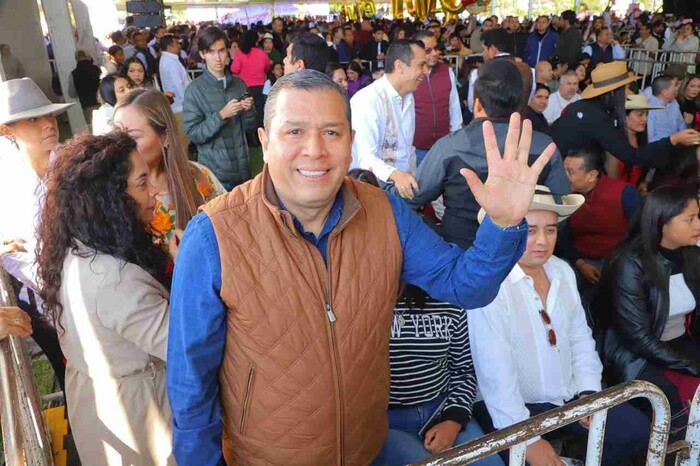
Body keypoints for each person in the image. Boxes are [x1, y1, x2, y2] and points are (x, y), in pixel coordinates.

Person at [166, 68, 556, 465]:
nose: (315, 149)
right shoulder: (213, 235)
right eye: (294, 132)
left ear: (351, 144)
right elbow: (190, 387)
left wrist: (503, 223)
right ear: (265, 143)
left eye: (332, 133)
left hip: (366, 450)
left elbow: (465, 286)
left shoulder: (385, 212)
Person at [469, 186, 651, 466]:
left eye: (551, 230)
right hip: (509, 407)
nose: (542, 240)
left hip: (566, 397)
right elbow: (495, 374)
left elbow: (580, 339)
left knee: (635, 430)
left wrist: (589, 392)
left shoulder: (562, 271)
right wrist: (526, 438)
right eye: (529, 230)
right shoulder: (490, 284)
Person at [35, 132, 176, 466]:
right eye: (142, 183)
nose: (153, 192)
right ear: (110, 199)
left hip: (103, 407)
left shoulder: (77, 251)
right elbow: (189, 346)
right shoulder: (115, 279)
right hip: (141, 421)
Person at [407, 60, 569, 250]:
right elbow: (561, 213)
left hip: (459, 254)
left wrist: (434, 236)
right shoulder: (545, 147)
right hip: (520, 254)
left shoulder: (449, 147)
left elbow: (411, 200)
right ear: (523, 104)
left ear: (477, 104)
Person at [595, 186, 700, 437]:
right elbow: (638, 339)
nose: (698, 224)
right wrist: (693, 364)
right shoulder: (630, 263)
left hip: (676, 344)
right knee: (676, 401)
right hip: (634, 356)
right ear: (662, 221)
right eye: (690, 219)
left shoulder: (690, 255)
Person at [0, 78, 72, 391]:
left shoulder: (74, 170)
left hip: (91, 293)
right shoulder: (7, 186)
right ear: (7, 131)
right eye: (33, 118)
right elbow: (11, 251)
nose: (47, 125)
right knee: (72, 379)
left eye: (50, 116)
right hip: (44, 308)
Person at [384, 287, 503, 466]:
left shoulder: (449, 299)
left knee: (490, 463)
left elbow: (464, 370)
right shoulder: (366, 302)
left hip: (441, 410)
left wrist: (453, 421)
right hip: (386, 423)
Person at [115, 89, 225, 243]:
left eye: (133, 138)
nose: (121, 145)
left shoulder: (198, 176)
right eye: (116, 133)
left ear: (165, 136)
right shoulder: (111, 191)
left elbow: (228, 227)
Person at [552, 61, 700, 172]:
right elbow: (632, 156)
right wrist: (673, 140)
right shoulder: (598, 118)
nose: (629, 93)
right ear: (613, 92)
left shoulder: (588, 107)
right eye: (625, 88)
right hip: (562, 173)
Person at [350, 40, 428, 199]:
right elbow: (365, 158)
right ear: (399, 66)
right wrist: (396, 175)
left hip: (402, 190)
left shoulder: (409, 97)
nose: (425, 71)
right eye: (421, 65)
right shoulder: (368, 100)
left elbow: (407, 149)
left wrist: (411, 179)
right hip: (371, 193)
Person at [183, 26, 255, 191]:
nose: (218, 58)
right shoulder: (194, 90)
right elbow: (193, 133)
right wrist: (222, 115)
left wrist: (249, 110)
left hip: (243, 169)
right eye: (211, 52)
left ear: (228, 51)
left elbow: (251, 127)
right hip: (215, 173)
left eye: (221, 51)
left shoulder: (238, 83)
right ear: (202, 54)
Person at [560, 148, 642, 287]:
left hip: (617, 261)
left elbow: (640, 233)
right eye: (563, 171)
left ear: (592, 175)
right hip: (580, 260)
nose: (563, 177)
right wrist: (581, 264)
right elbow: (562, 237)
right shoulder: (563, 195)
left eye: (570, 172)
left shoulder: (624, 193)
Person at [412, 31, 463, 167]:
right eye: (428, 50)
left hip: (445, 145)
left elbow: (454, 107)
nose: (434, 53)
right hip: (417, 148)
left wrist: (456, 137)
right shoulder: (410, 75)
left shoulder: (447, 72)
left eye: (436, 48)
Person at [231, 30, 271, 133]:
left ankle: (249, 134)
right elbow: (267, 68)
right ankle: (261, 133)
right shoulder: (262, 54)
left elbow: (234, 69)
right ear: (256, 40)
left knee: (246, 112)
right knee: (260, 111)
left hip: (244, 88)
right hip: (260, 87)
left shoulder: (240, 54)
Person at [158, 33, 192, 135]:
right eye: (177, 44)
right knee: (185, 136)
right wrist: (188, 102)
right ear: (169, 47)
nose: (179, 46)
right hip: (180, 106)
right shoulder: (170, 62)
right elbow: (178, 84)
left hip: (179, 105)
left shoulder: (168, 60)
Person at [647, 75, 687, 143]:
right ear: (664, 92)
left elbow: (682, 127)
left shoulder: (674, 104)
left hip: (678, 146)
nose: (677, 89)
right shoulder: (650, 108)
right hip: (658, 149)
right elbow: (650, 138)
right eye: (675, 86)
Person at [71, 50, 102, 125]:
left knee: (92, 127)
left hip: (86, 105)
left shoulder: (74, 73)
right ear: (88, 56)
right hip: (101, 101)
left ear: (76, 58)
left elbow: (71, 93)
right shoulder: (97, 69)